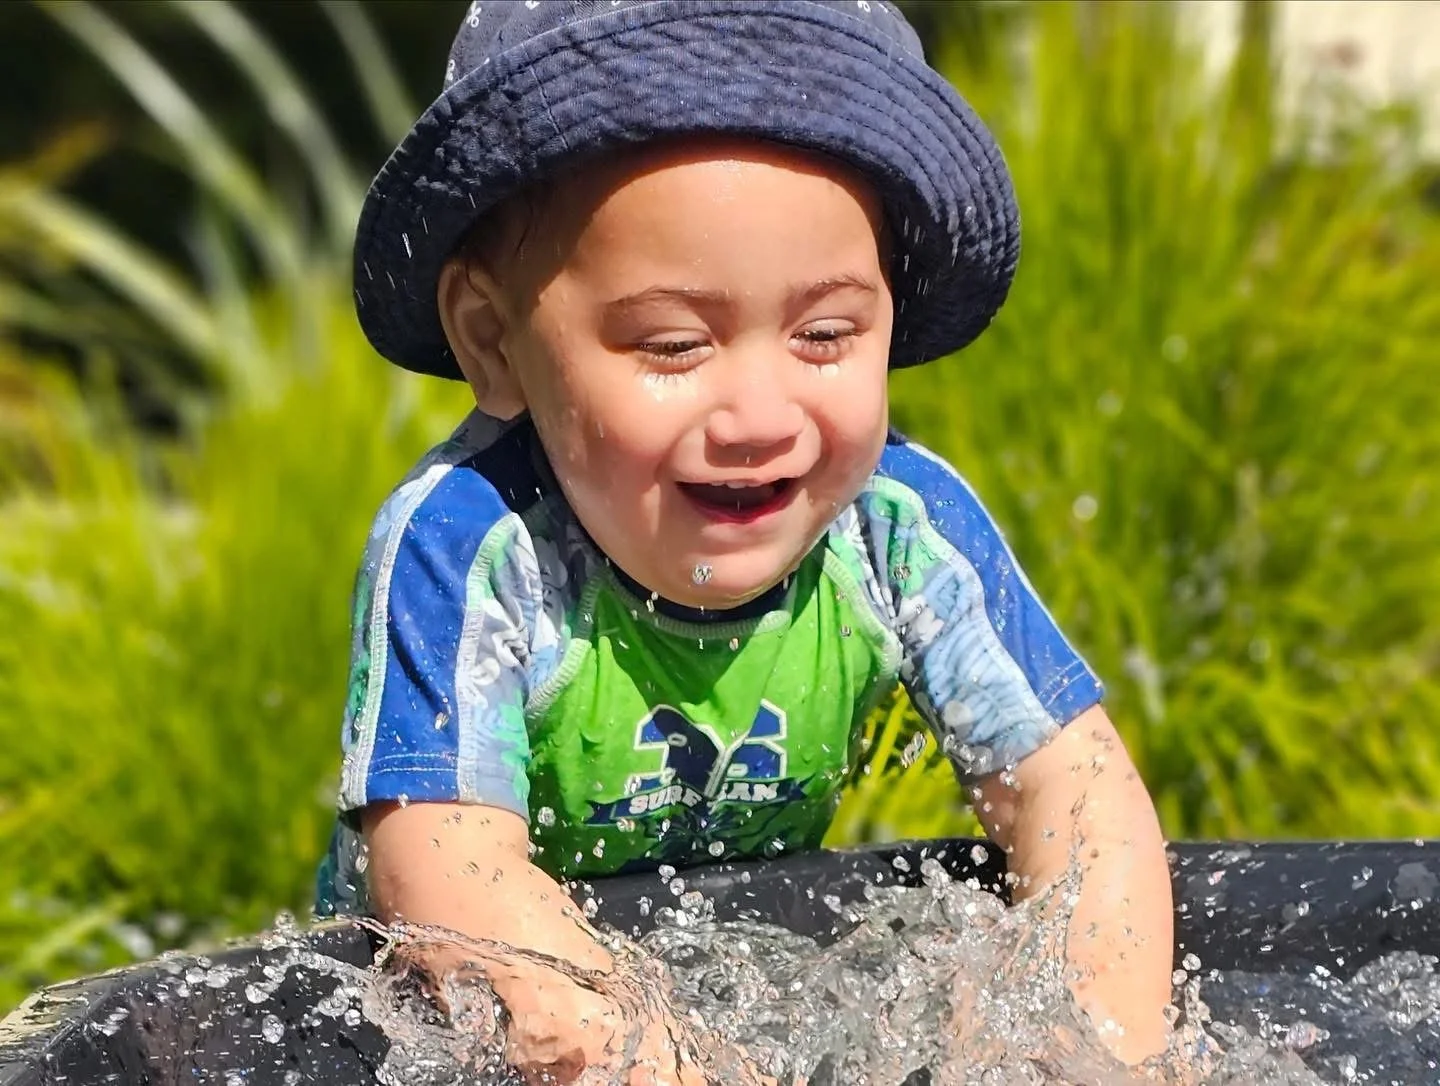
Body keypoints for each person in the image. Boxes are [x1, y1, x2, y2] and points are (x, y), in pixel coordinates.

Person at [315, 1, 1175, 1081]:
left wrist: (1099, 1048)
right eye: (675, 344)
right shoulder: (473, 548)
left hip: (736, 988)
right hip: (449, 1032)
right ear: (495, 340)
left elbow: (1076, 794)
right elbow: (453, 887)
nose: (762, 415)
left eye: (826, 335)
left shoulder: (894, 525)